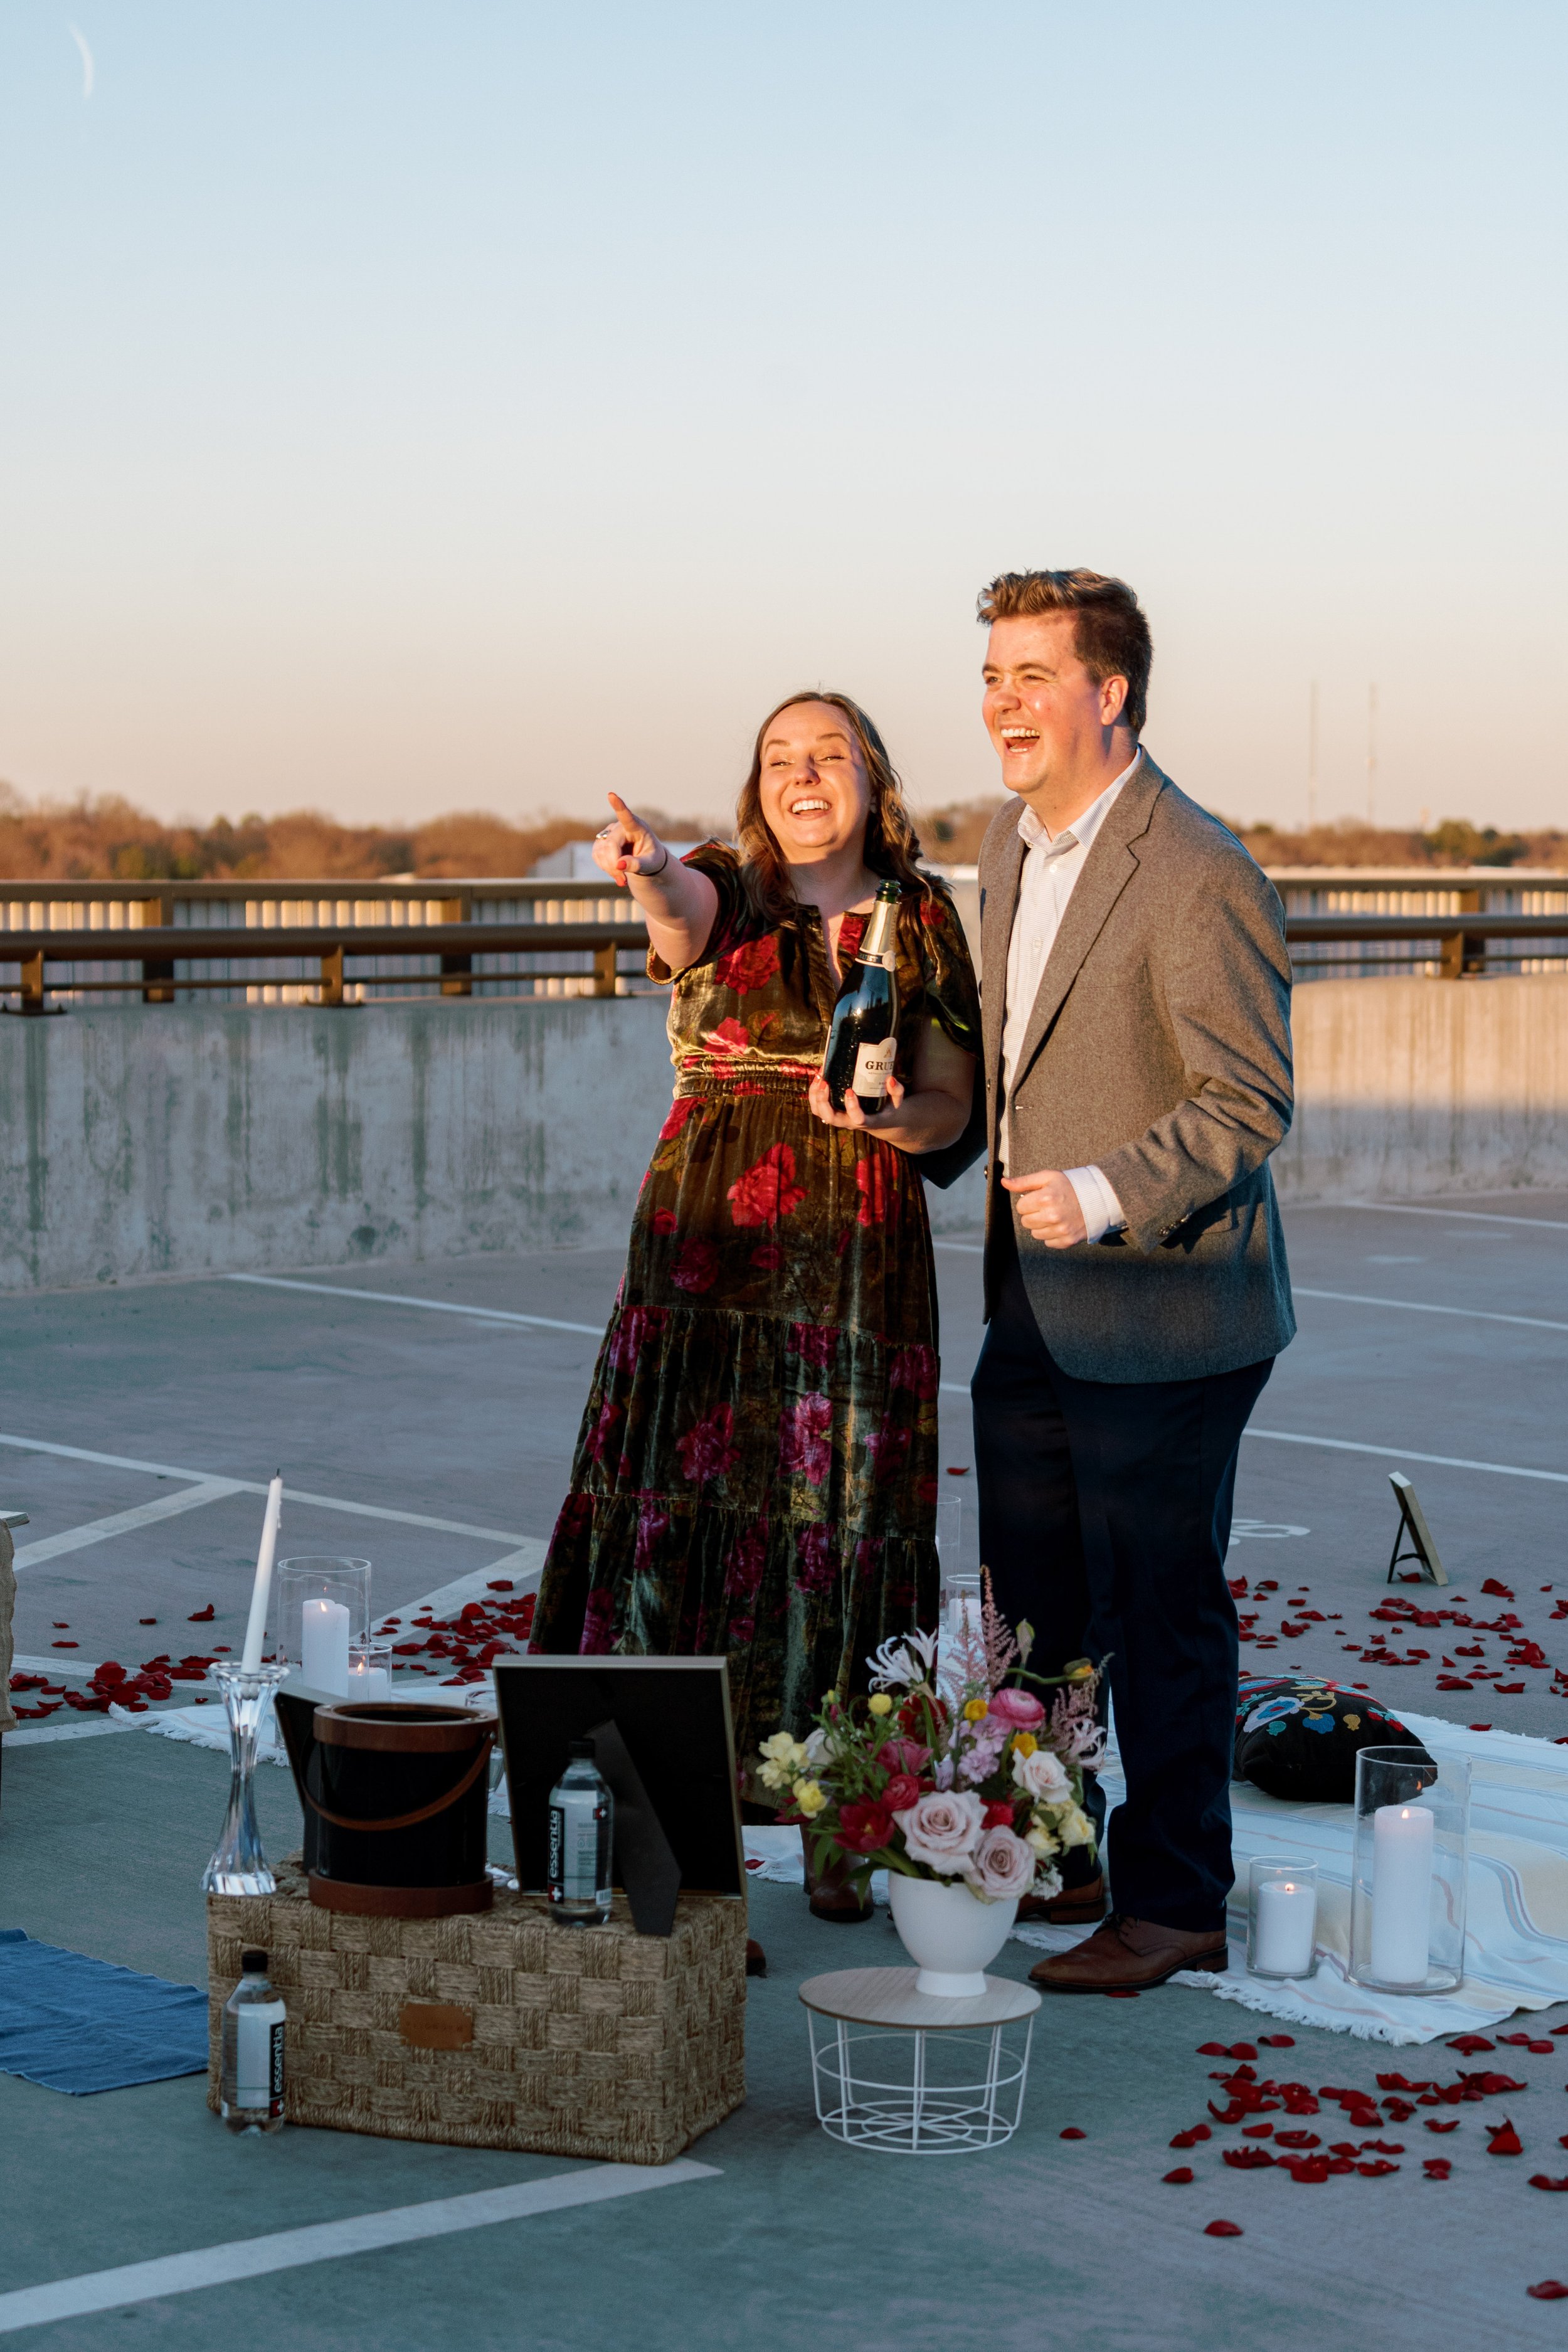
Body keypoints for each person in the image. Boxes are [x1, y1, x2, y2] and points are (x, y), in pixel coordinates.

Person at [531, 692, 981, 1924]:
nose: (802, 774)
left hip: (849, 1254)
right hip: (704, 1251)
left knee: (834, 1505)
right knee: (678, 1505)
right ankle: (656, 1815)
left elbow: (948, 1100)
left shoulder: (919, 916)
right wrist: (650, 868)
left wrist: (892, 1118)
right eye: (779, 757)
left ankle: (846, 1816)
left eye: (826, 755)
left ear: (870, 781)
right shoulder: (728, 885)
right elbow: (680, 917)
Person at [967, 569, 1295, 1994]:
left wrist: (1100, 1194)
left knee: (1157, 1611)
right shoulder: (1004, 844)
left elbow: (1247, 1102)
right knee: (1028, 1607)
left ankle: (1174, 1903)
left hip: (1168, 1308)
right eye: (990, 676)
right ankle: (1061, 1851)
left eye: (1032, 675)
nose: (1001, 703)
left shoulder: (1196, 866)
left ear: (1110, 692)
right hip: (1028, 1301)